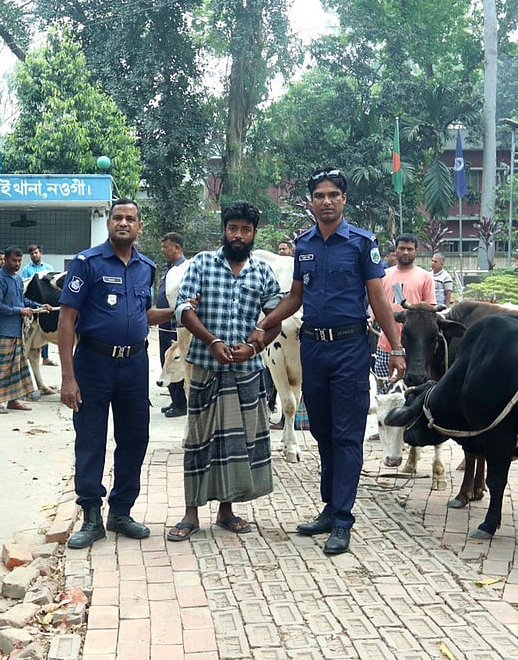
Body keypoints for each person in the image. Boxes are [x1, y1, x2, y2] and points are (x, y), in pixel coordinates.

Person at [248, 168, 405, 556]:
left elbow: (379, 300)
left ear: (343, 199)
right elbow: (295, 298)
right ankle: (328, 508)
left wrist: (397, 347)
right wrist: (265, 322)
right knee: (320, 429)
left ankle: (342, 520)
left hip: (350, 349)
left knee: (346, 433)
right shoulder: (303, 245)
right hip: (313, 349)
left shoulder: (361, 243)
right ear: (312, 201)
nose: (327, 201)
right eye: (320, 195)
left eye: (334, 194)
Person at [57, 199, 173, 549]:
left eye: (130, 218)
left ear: (140, 226)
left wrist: (178, 312)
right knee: (91, 439)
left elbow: (143, 314)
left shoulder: (146, 268)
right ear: (109, 223)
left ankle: (121, 511)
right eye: (117, 217)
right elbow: (67, 319)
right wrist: (67, 376)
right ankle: (91, 516)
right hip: (93, 363)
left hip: (135, 364)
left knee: (135, 438)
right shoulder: (86, 263)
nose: (123, 222)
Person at [167, 202, 282, 541]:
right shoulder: (202, 263)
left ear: (253, 233)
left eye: (246, 229)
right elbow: (183, 308)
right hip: (205, 365)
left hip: (247, 369)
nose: (238, 235)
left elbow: (274, 318)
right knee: (198, 438)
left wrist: (255, 346)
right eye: (233, 228)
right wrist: (213, 341)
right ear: (224, 229)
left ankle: (227, 511)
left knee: (236, 443)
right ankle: (190, 514)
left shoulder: (261, 272)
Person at [0, 247, 47, 414]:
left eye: (19, 261)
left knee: (17, 365)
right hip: (4, 329)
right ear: (4, 259)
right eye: (14, 260)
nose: (17, 264)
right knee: (2, 366)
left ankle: (13, 400)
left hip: (18, 330)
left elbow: (22, 300)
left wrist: (39, 306)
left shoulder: (18, 279)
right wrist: (19, 311)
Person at [374, 234, 434, 380]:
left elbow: (430, 309)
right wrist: (370, 318)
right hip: (386, 343)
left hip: (414, 349)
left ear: (416, 251)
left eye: (410, 249)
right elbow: (374, 303)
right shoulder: (383, 275)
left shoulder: (425, 276)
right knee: (385, 388)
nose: (406, 252)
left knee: (412, 389)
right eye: (402, 248)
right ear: (395, 250)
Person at [157, 232, 188, 418]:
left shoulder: (185, 268)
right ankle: (174, 399)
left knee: (175, 362)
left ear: (177, 247)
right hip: (163, 324)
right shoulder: (170, 268)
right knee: (165, 361)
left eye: (165, 247)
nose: (163, 250)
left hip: (174, 325)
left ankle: (181, 403)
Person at [21, 243, 57, 366]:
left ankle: (45, 358)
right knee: (33, 329)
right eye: (32, 254)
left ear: (41, 253)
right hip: (33, 302)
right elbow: (25, 286)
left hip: (47, 302)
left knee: (46, 328)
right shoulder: (26, 269)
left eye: (36, 253)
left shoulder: (48, 267)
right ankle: (27, 355)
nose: (34, 255)